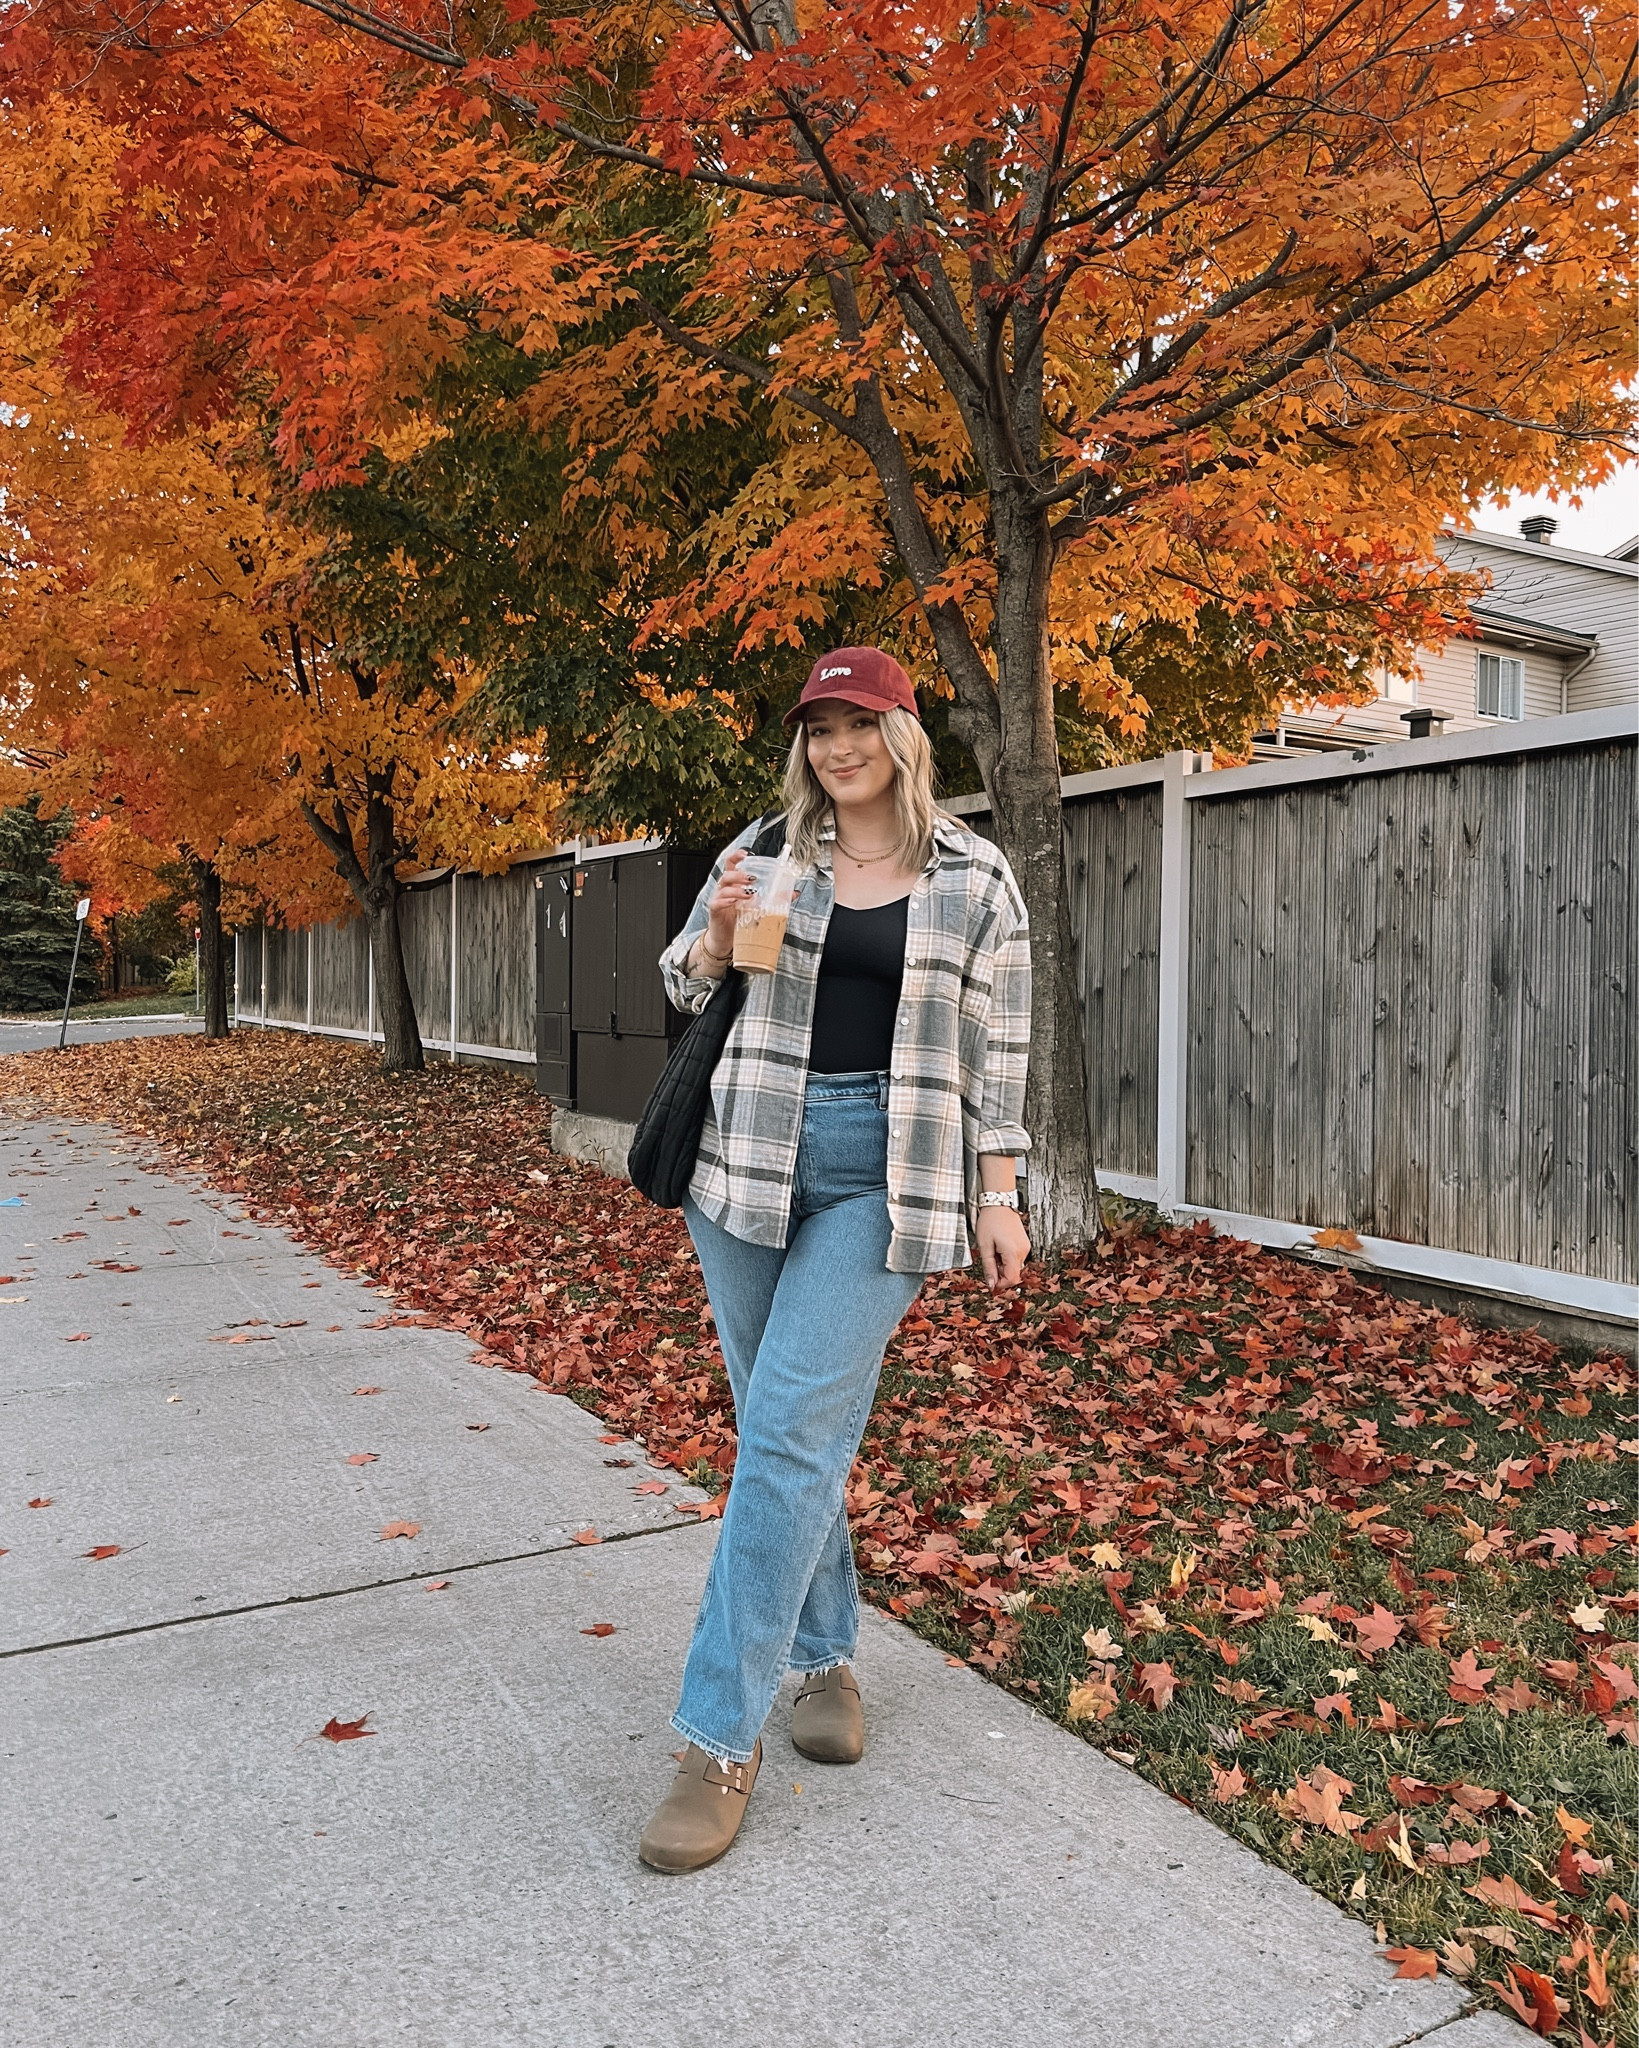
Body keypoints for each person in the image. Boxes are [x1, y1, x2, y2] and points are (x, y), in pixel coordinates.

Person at [639, 645, 1032, 1874]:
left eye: (858, 723)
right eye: (818, 727)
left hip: (887, 1170)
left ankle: (715, 1739)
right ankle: (822, 1659)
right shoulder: (766, 852)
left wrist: (1001, 1191)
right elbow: (681, 989)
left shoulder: (976, 876)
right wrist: (705, 942)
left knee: (794, 1429)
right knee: (782, 1427)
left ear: (904, 735)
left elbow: (1003, 1052)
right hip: (747, 1157)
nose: (836, 746)